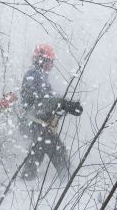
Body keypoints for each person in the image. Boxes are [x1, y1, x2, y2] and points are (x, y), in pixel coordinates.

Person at [19, 44, 83, 181]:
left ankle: (25, 181)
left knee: (36, 154)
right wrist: (64, 103)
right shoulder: (34, 75)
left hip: (36, 125)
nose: (52, 65)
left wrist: (63, 106)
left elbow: (48, 100)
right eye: (50, 61)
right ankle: (69, 183)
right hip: (36, 125)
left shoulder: (39, 76)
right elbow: (44, 102)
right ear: (41, 60)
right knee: (59, 154)